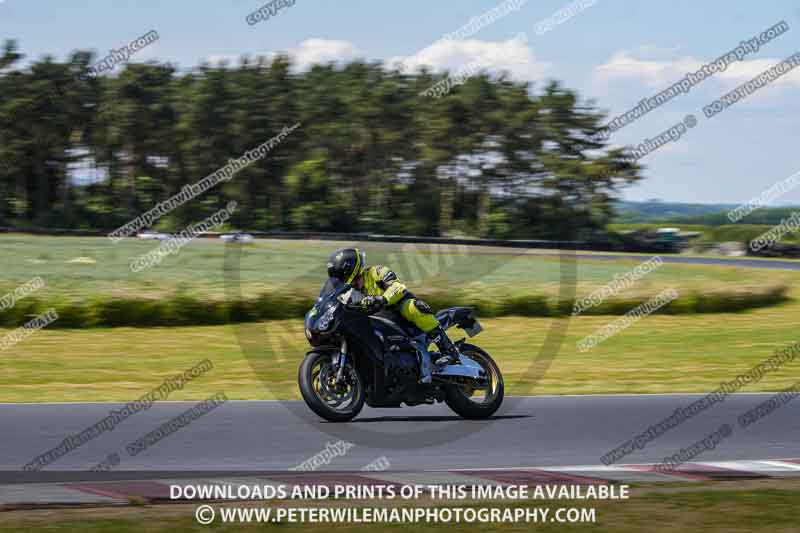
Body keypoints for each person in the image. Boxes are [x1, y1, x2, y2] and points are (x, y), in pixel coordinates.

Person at [326, 248, 459, 383]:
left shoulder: (377, 272)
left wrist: (382, 299)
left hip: (400, 313)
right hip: (379, 321)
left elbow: (398, 287)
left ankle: (448, 350)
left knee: (412, 307)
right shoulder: (350, 292)